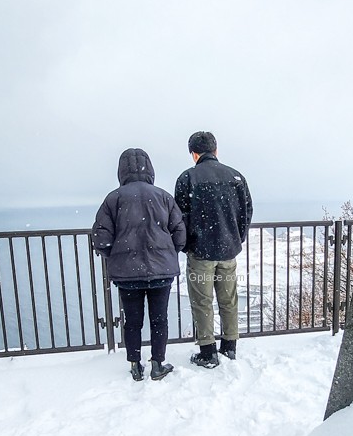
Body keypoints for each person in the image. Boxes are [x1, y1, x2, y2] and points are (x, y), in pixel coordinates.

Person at [93, 148, 186, 381]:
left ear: (121, 170)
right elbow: (180, 234)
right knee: (159, 318)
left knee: (132, 320)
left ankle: (135, 365)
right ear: (150, 168)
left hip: (128, 274)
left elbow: (101, 239)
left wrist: (116, 256)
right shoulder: (163, 197)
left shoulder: (113, 199)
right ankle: (157, 363)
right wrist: (166, 253)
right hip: (161, 272)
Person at [174, 131, 253, 368]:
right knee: (228, 300)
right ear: (215, 150)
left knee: (202, 301)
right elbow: (246, 212)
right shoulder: (236, 177)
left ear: (194, 154)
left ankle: (208, 352)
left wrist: (189, 245)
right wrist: (236, 239)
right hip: (228, 251)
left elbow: (179, 218)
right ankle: (229, 346)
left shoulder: (188, 178)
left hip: (200, 252)